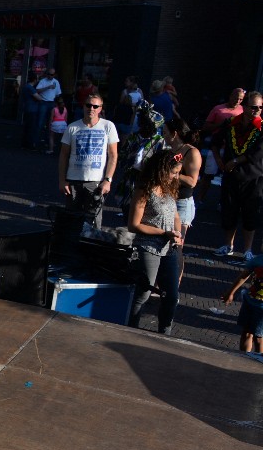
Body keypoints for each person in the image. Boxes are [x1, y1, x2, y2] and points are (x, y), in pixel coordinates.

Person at [127, 150, 184, 335]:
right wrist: (163, 232)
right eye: (173, 172)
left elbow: (175, 214)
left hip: (169, 248)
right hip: (148, 246)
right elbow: (134, 225)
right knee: (144, 292)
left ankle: (165, 333)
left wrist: (177, 232)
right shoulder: (144, 190)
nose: (176, 177)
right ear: (161, 170)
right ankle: (130, 329)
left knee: (172, 295)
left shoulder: (170, 188)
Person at [211, 91, 263, 260]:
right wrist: (219, 159)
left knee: (250, 213)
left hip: (253, 178)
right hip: (231, 176)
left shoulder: (261, 128)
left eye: (260, 107)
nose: (257, 110)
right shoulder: (231, 124)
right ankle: (228, 245)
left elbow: (257, 153)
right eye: (254, 107)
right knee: (229, 211)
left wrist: (235, 161)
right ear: (245, 107)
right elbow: (215, 142)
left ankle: (247, 249)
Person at [58, 92, 119, 229]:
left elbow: (113, 155)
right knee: (71, 221)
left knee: (93, 223)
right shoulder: (72, 127)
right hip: (73, 180)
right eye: (88, 105)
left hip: (95, 182)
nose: (91, 108)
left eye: (95, 106)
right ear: (83, 106)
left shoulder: (108, 126)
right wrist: (62, 180)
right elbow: (63, 155)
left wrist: (107, 180)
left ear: (100, 108)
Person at [162, 117, 202, 247]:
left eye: (165, 133)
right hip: (167, 199)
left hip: (182, 203)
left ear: (175, 134)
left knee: (177, 245)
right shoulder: (168, 150)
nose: (163, 136)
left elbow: (192, 181)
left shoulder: (192, 152)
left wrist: (172, 174)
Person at [222, 253, 263, 353]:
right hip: (250, 302)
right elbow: (243, 276)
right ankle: (244, 357)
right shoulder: (258, 260)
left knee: (258, 337)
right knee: (247, 332)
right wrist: (231, 292)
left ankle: (259, 362)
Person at [34, 67, 61, 148]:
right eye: (48, 74)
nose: (50, 76)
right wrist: (48, 87)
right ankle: (36, 141)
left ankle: (48, 141)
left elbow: (58, 94)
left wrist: (56, 103)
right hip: (43, 102)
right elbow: (37, 90)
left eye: (52, 74)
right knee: (40, 123)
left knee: (50, 123)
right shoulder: (43, 81)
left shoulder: (56, 82)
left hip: (51, 103)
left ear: (54, 75)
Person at [21, 71, 40, 150]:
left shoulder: (25, 87)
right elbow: (38, 97)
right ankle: (29, 144)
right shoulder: (30, 88)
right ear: (35, 80)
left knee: (27, 127)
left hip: (27, 108)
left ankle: (25, 143)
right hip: (32, 109)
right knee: (31, 127)